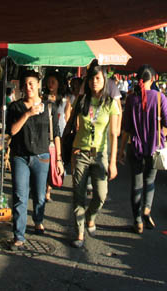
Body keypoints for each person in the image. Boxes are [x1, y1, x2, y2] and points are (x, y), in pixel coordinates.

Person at [6, 70, 63, 250]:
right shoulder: (15, 107)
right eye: (25, 84)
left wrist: (59, 159)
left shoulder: (49, 107)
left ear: (39, 84)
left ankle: (38, 220)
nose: (28, 87)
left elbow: (56, 135)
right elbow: (12, 131)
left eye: (32, 83)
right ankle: (19, 236)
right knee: (20, 197)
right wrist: (28, 114)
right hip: (20, 157)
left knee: (39, 195)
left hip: (42, 157)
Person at [70, 61, 120, 248]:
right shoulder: (81, 100)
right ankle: (80, 232)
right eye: (91, 78)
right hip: (81, 153)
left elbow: (114, 134)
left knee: (101, 195)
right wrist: (72, 150)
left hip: (100, 155)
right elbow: (73, 125)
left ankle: (91, 215)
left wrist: (113, 161)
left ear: (104, 80)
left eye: (98, 78)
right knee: (78, 194)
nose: (94, 82)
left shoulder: (110, 103)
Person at [118, 65, 167, 234]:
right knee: (150, 181)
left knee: (136, 185)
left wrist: (121, 150)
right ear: (153, 79)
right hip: (153, 148)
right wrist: (159, 136)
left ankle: (137, 222)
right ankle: (147, 209)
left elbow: (126, 128)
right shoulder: (159, 97)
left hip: (135, 148)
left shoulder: (131, 99)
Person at [43, 71, 67, 201]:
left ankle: (49, 186)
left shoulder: (64, 99)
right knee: (48, 161)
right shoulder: (43, 99)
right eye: (49, 81)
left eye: (53, 82)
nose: (50, 84)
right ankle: (47, 190)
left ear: (58, 84)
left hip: (61, 132)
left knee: (57, 160)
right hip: (48, 133)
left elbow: (67, 116)